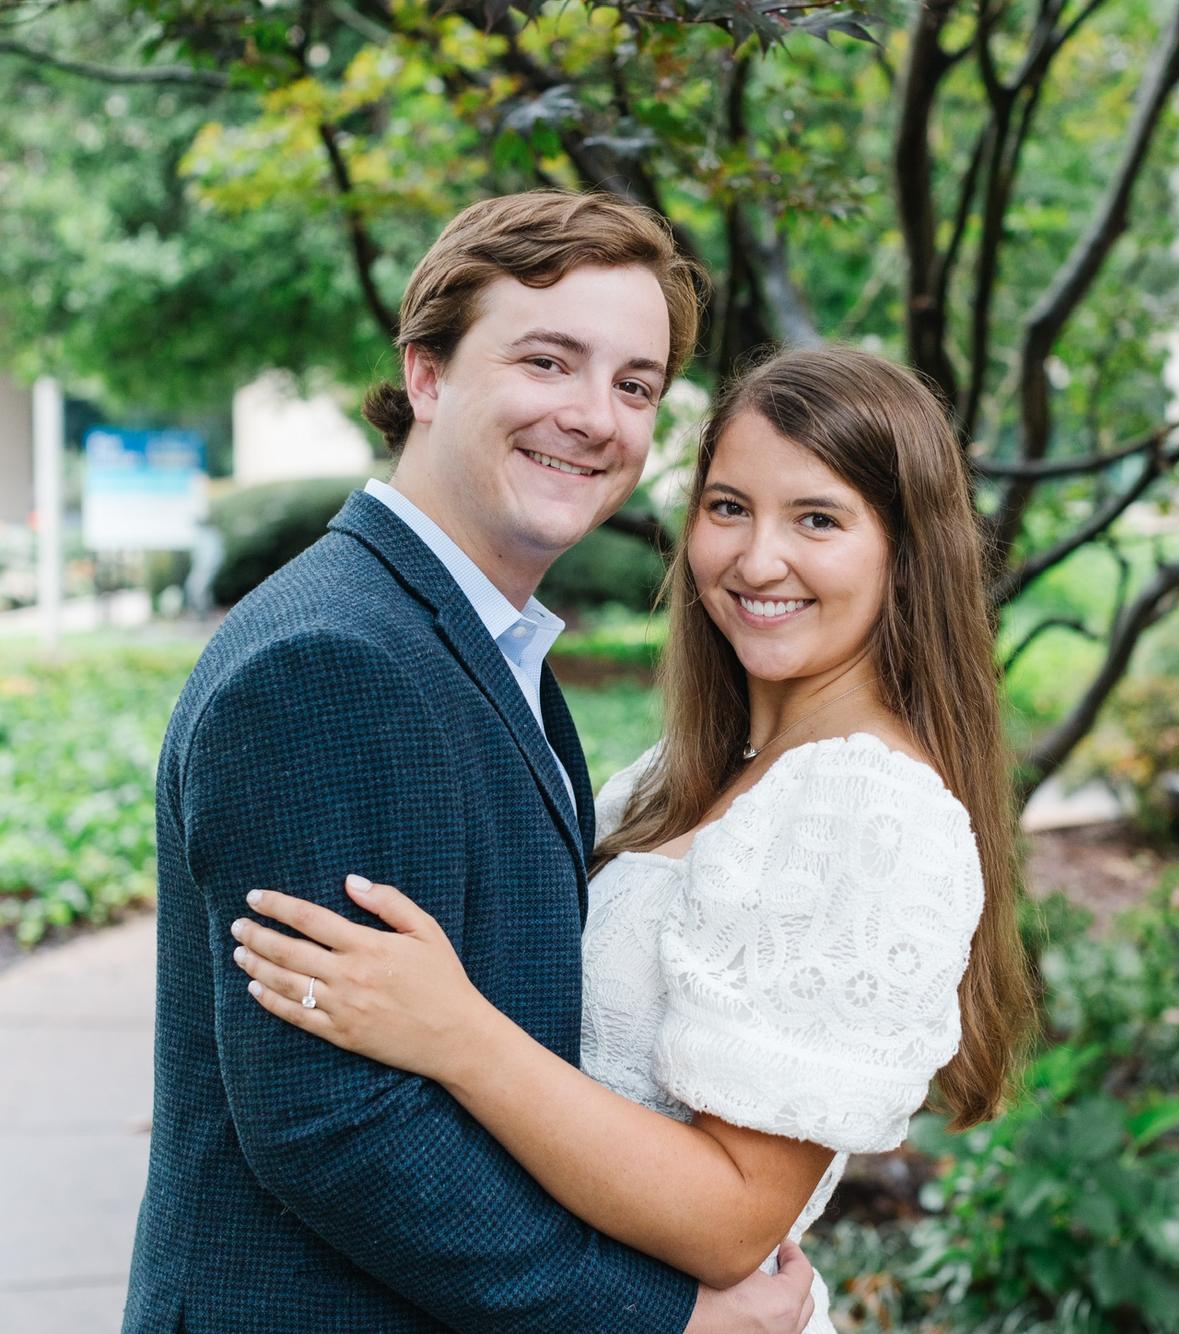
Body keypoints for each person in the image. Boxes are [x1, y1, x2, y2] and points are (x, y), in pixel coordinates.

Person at [229, 345, 1038, 1330]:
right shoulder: (684, 772)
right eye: (728, 506)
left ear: (906, 552)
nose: (756, 559)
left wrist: (456, 1034)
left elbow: (732, 1218)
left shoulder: (864, 808)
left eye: (817, 519)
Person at [124, 190, 820, 1333]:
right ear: (427, 374)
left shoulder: (475, 640)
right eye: (547, 361)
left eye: (635, 384)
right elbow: (334, 1123)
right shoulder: (329, 662)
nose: (593, 416)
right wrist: (662, 1317)